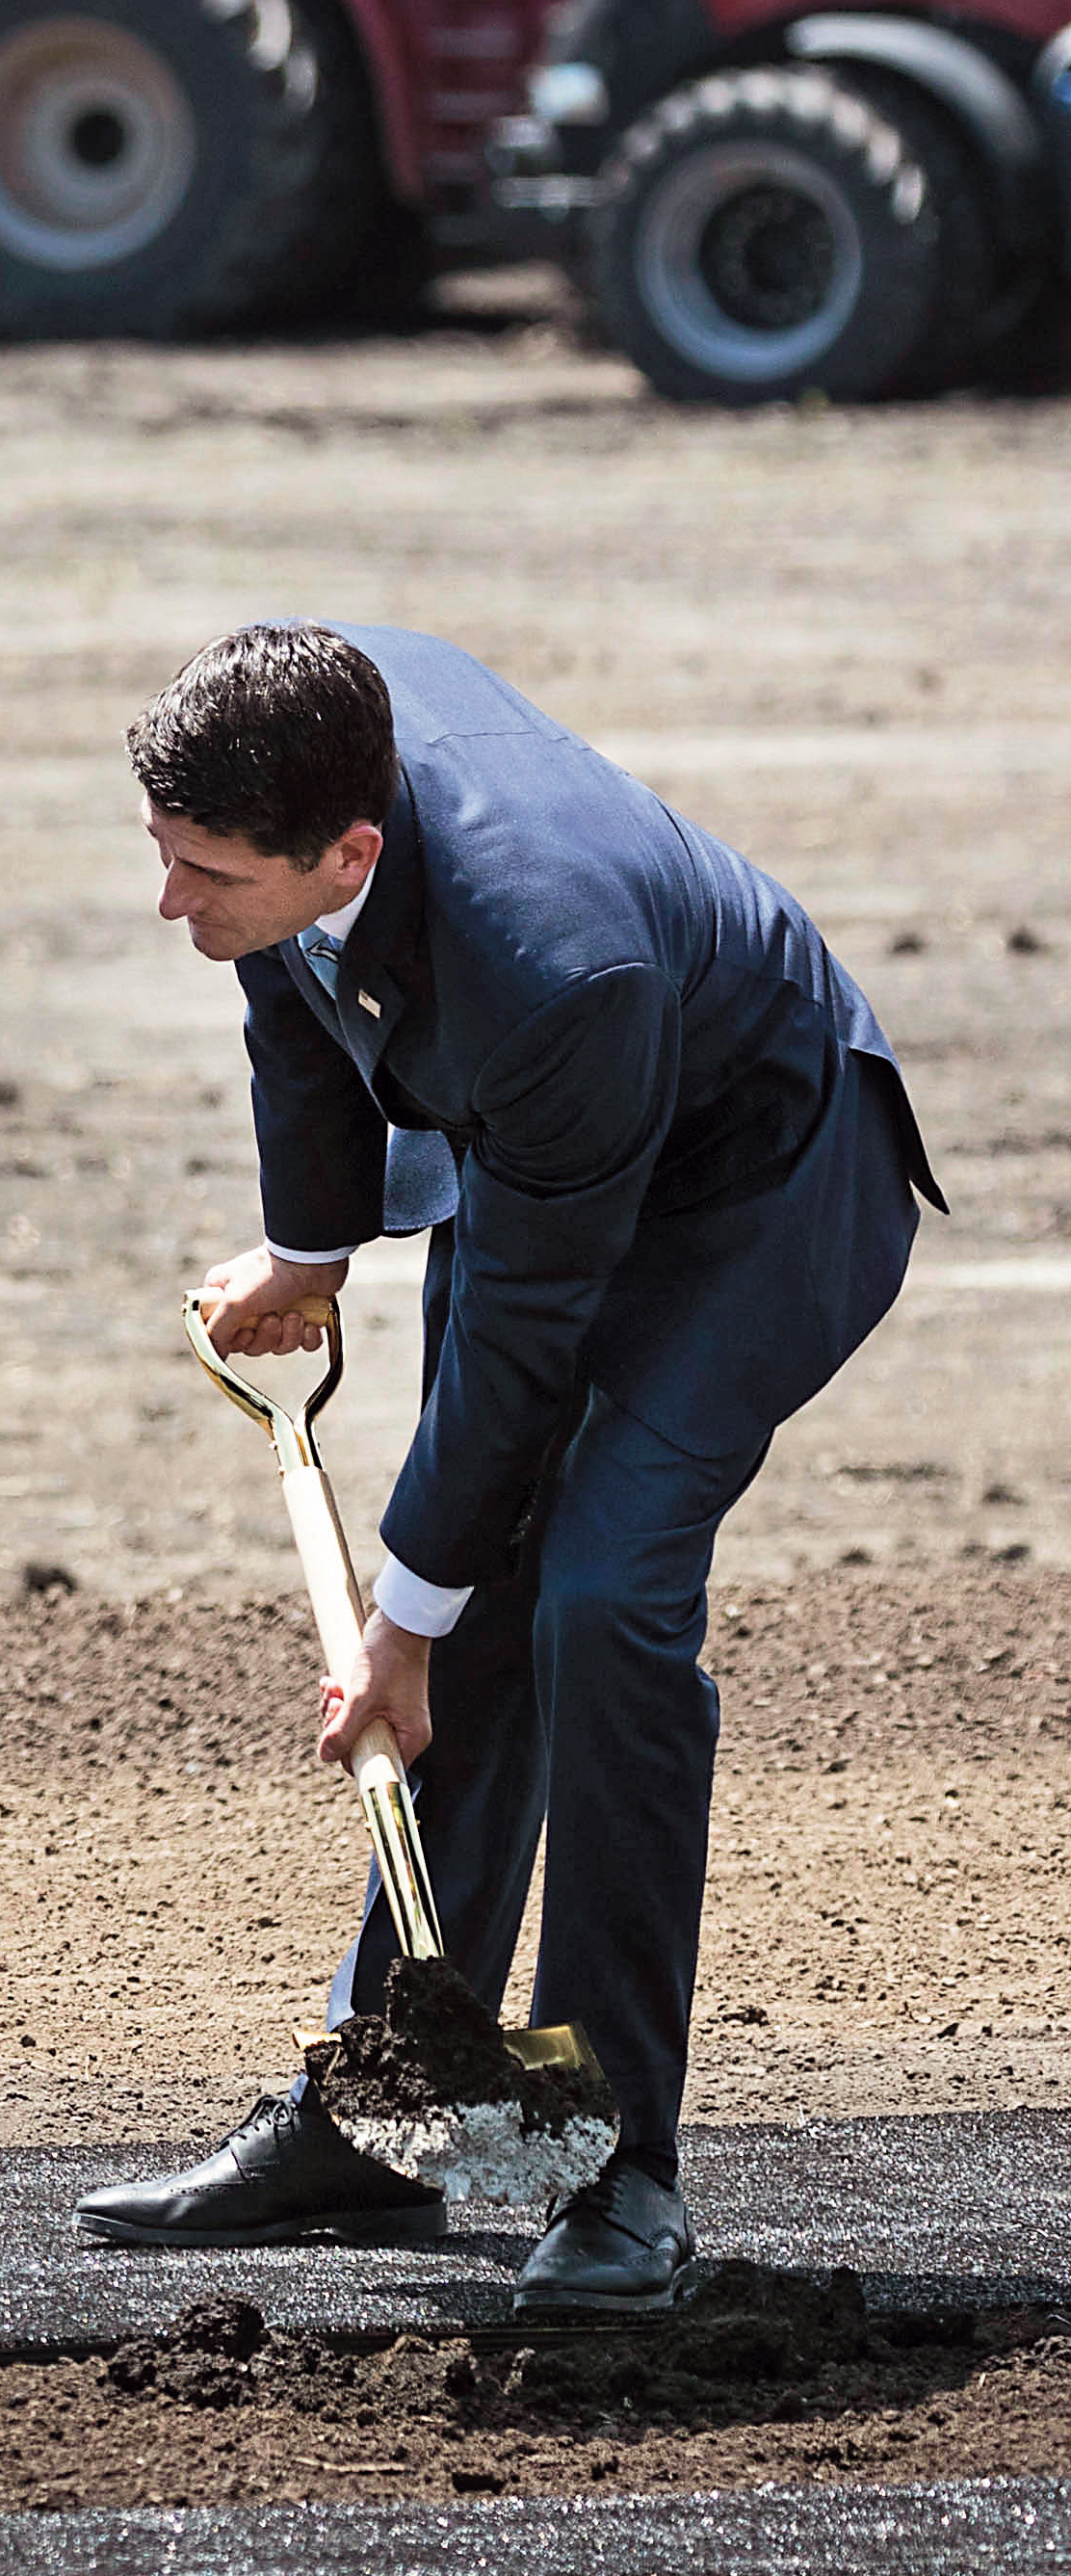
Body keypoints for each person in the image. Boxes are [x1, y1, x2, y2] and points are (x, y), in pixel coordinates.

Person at [77, 622, 940, 2310]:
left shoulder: (553, 968)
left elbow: (527, 1353)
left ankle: (620, 2172)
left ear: (353, 850)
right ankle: (394, 2109)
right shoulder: (300, 749)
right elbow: (289, 992)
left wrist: (402, 1628)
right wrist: (308, 1243)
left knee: (595, 1597)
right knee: (473, 1580)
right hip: (552, 1147)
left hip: (758, 1186)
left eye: (204, 873)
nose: (168, 904)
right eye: (162, 857)